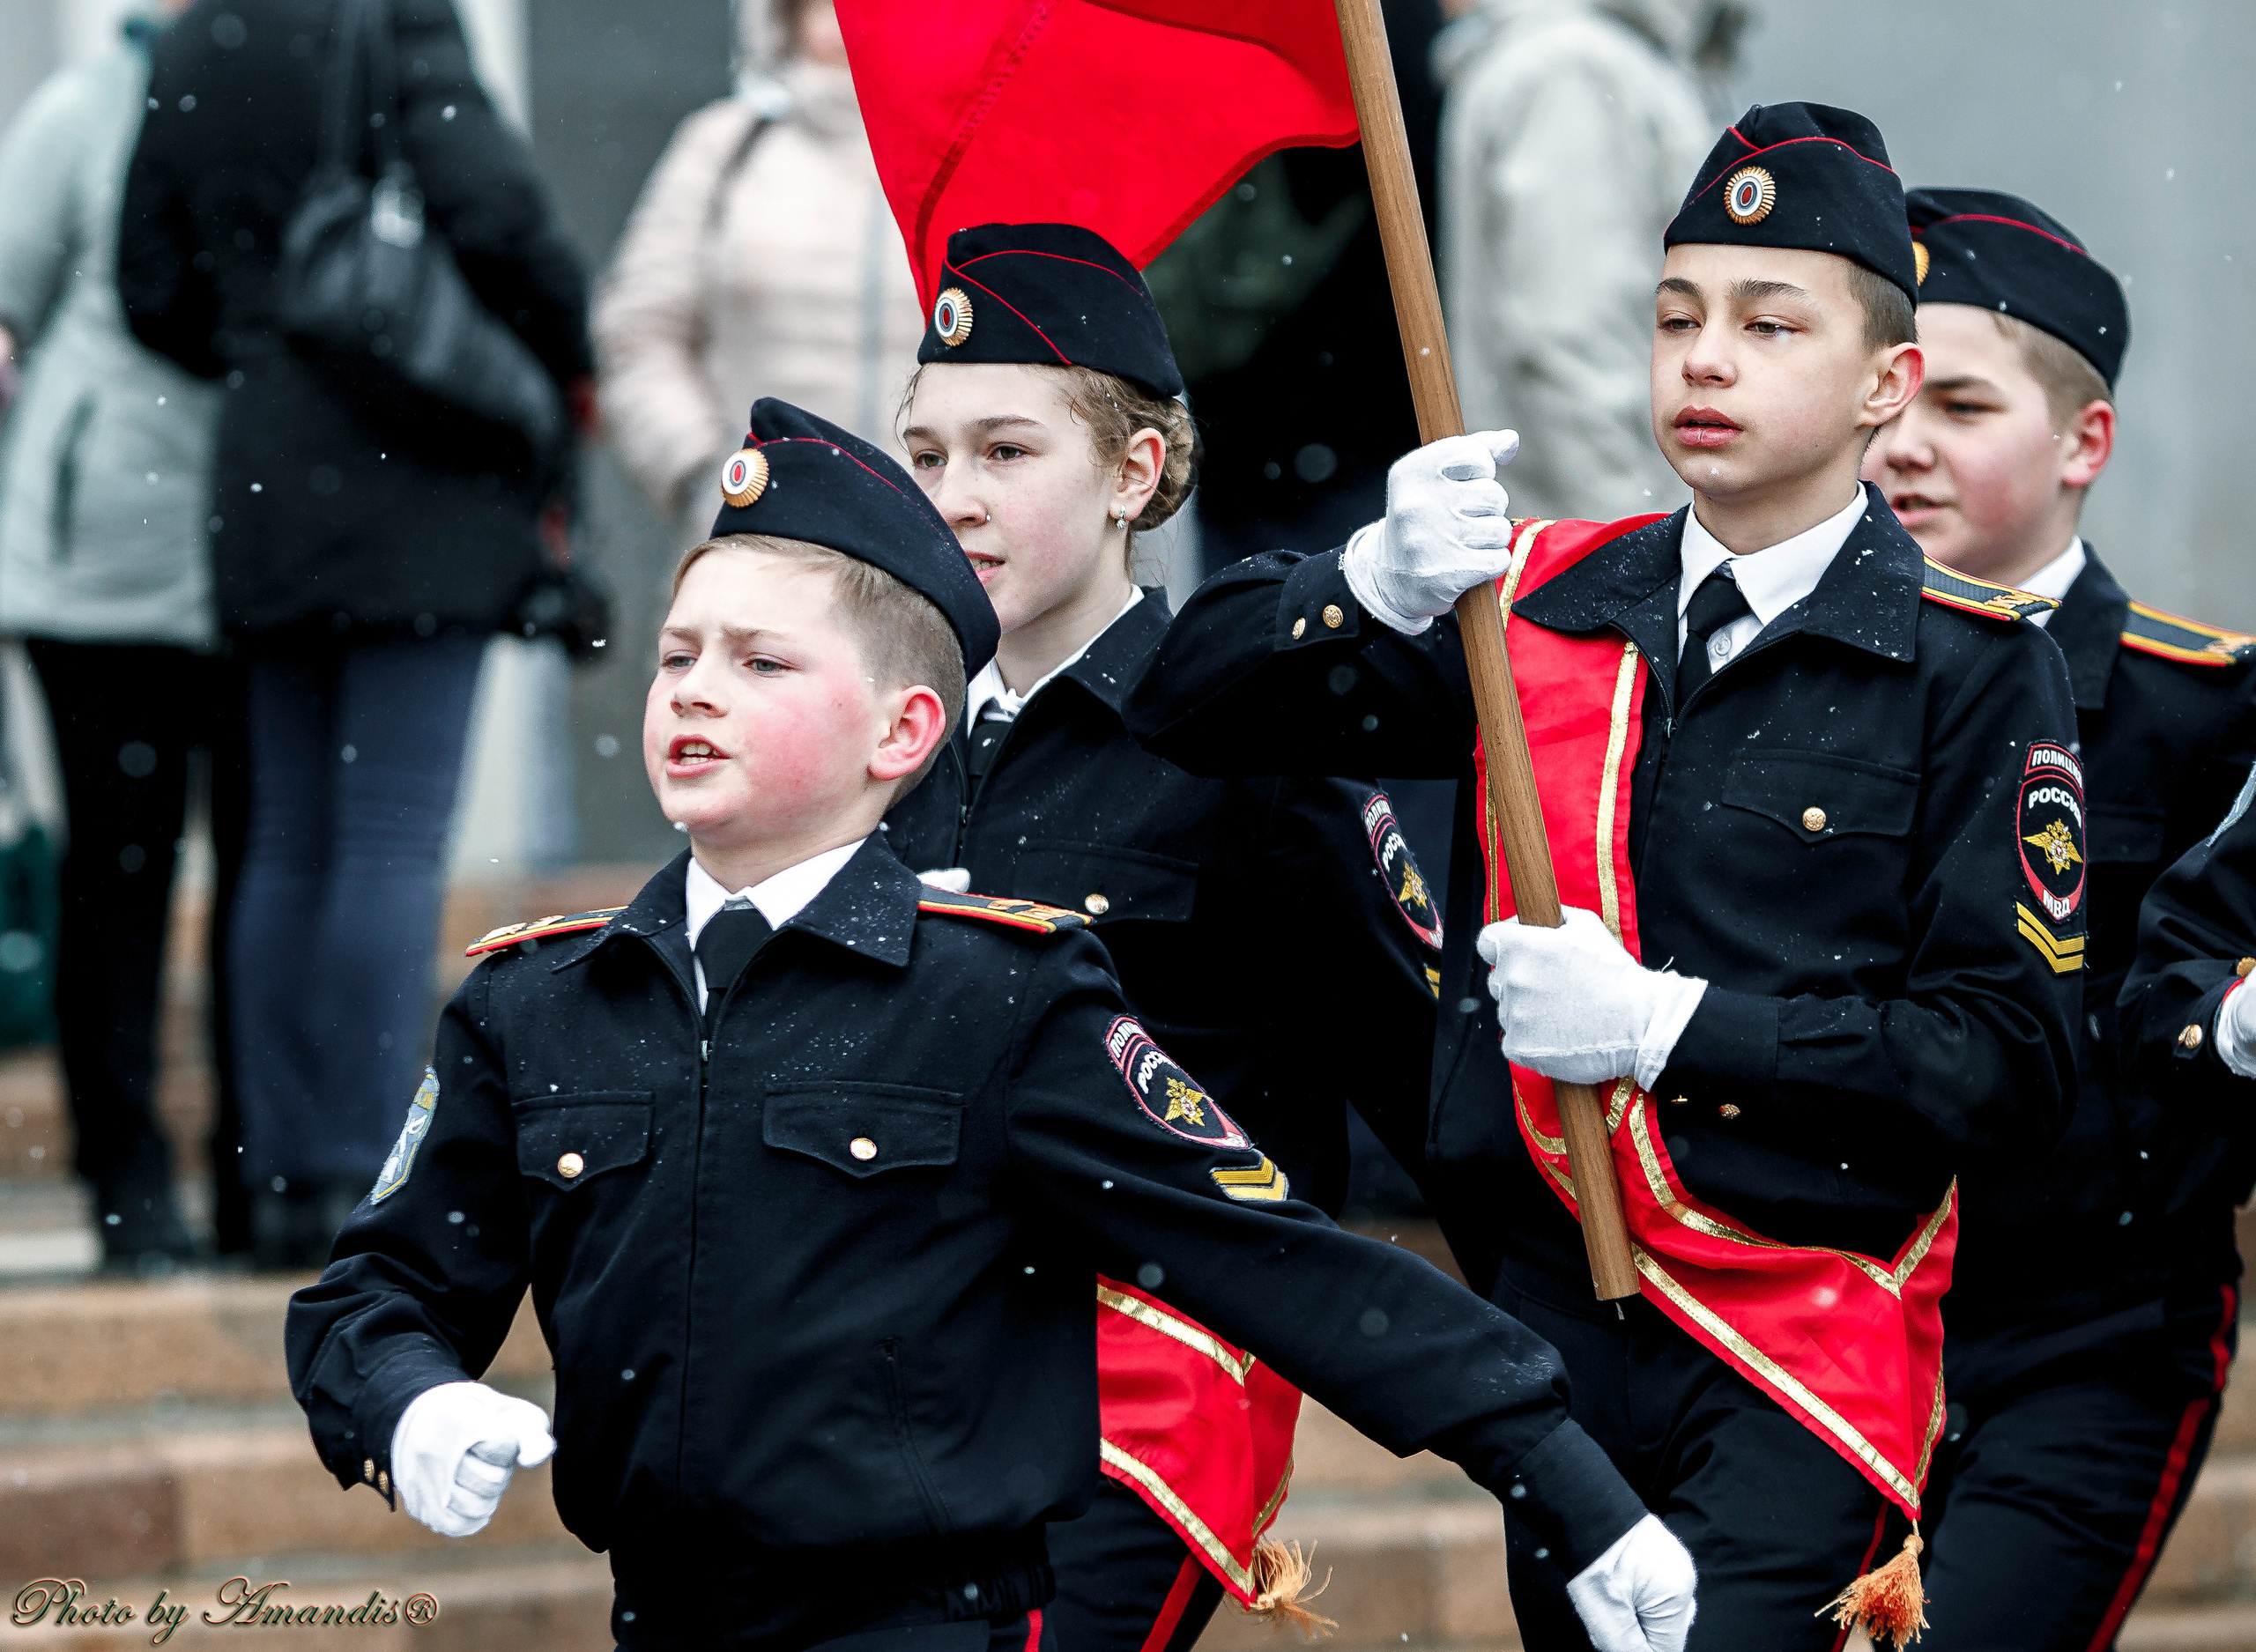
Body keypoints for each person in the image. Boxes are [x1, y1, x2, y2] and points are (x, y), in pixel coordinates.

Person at [282, 397, 1697, 1652]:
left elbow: (1277, 1256)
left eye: (764, 662)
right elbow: (376, 1290)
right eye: (676, 655)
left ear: (905, 734)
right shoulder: (541, 1000)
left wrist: (1562, 1474)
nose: (698, 688)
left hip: (938, 1616)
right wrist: (404, 1402)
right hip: (665, 1609)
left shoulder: (999, 992)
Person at [1126, 102, 2085, 1646]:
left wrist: (1669, 1030)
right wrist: (1358, 584)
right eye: (1677, 317)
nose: (1705, 359)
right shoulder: (1548, 605)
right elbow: (1185, 707)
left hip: (1796, 1334)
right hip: (1556, 1329)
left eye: (1771, 324)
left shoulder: (1965, 671)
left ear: (1885, 386)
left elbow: (2013, 1062)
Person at [886, 222, 1444, 1652]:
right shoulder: (880, 746)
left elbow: (1429, 1085)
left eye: (1007, 453)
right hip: (897, 1373)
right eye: (928, 453)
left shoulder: (1248, 739)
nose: (954, 496)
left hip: (1141, 1385)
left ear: (1137, 474)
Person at [116, 0, 594, 1267]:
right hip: (411, 470)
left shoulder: (194, 40)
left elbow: (148, 283)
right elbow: (500, 217)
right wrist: (563, 348)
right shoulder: (393, 18)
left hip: (266, 476)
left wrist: (265, 337)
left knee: (284, 839)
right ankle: (376, 1171)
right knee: (386, 836)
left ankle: (284, 1175)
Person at [1861, 189, 2256, 1648]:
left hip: (2085, 1335)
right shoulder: (1785, 694)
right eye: (1886, 396)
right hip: (1823, 1329)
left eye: (1960, 403)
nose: (1903, 444)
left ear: (2085, 443)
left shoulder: (2198, 710)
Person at [0, 2, 250, 1267]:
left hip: (266, 555)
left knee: (262, 873)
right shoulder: (84, 107)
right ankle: (126, 1181)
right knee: (121, 871)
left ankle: (258, 1175)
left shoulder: (313, 92)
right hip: (102, 562)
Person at [595, 0, 922, 540]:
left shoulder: (973, 157)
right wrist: (706, 474)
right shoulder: (725, 148)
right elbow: (638, 334)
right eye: (832, 5)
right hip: (758, 541)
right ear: (788, 19)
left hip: (941, 549)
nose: (855, 23)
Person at [1435, 0, 1745, 523]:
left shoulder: (1587, 57)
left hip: (1578, 537)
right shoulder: (1575, 67)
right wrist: (1638, 547)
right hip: (1595, 542)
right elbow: (1568, 341)